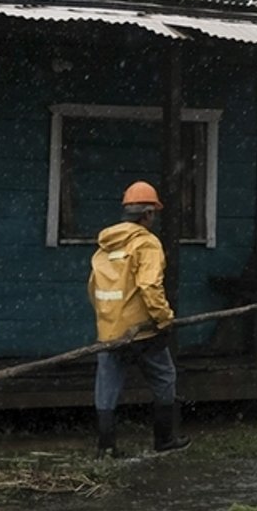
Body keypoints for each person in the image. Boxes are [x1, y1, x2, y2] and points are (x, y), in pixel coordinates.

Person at [88, 180, 191, 456]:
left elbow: (93, 288)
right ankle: (164, 439)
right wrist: (164, 319)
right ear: (147, 214)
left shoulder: (105, 246)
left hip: (109, 330)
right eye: (153, 213)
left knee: (107, 387)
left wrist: (108, 319)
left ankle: (106, 447)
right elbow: (149, 286)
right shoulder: (147, 244)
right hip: (141, 330)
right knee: (164, 377)